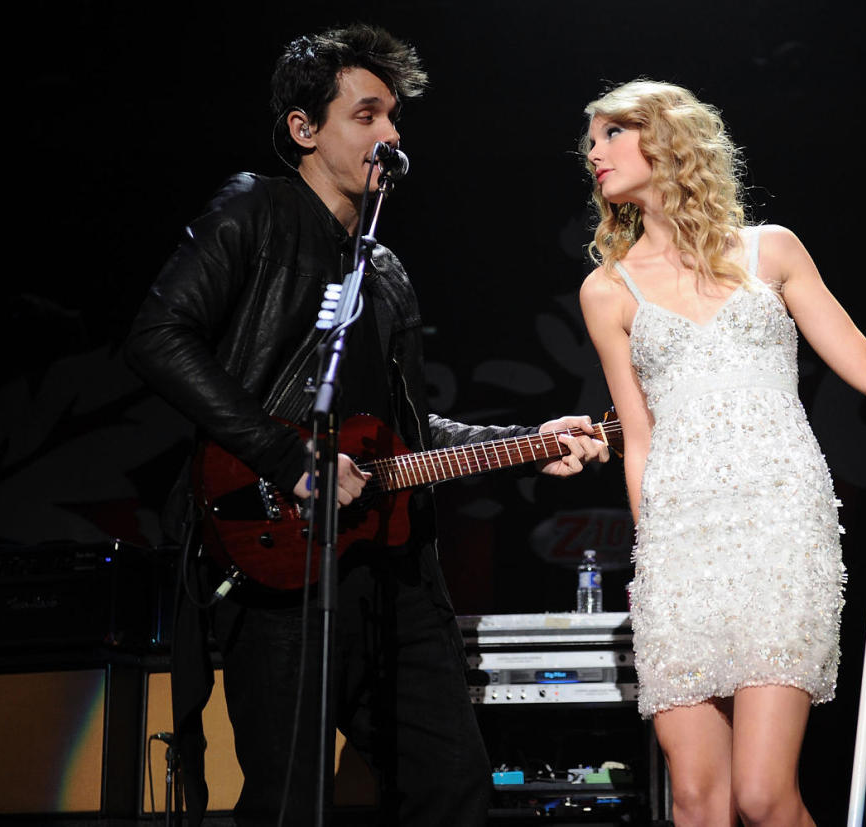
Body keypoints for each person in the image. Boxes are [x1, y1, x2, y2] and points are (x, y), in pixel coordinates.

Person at [125, 23, 608, 827]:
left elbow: (405, 439)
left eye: (394, 118)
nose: (390, 134)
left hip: (393, 577)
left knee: (452, 788)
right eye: (367, 114)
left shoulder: (384, 272)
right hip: (277, 555)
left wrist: (527, 442)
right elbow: (156, 337)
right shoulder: (257, 209)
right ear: (303, 129)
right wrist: (287, 454)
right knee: (291, 800)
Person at [577, 80, 866, 826]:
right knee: (697, 800)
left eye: (613, 132)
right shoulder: (606, 290)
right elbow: (638, 439)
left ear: (668, 138)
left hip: (780, 528)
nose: (594, 151)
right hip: (680, 545)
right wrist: (653, 561)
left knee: (762, 794)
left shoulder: (768, 250)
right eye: (590, 140)